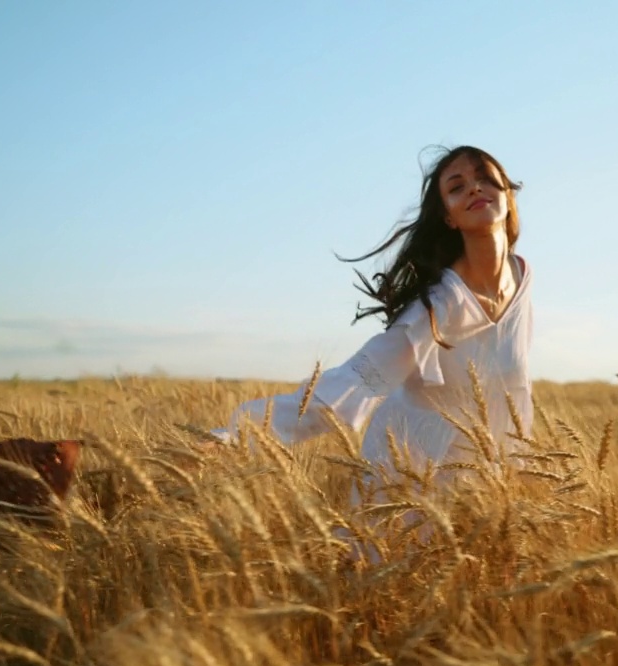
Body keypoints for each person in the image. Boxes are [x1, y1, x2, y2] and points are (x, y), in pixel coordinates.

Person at [210, 145, 534, 518]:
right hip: (411, 476)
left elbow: (515, 387)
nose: (475, 189)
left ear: (507, 193)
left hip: (483, 478)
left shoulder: (522, 275)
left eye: (485, 178)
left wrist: (519, 466)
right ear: (448, 218)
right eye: (457, 187)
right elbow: (354, 382)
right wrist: (236, 438)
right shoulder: (438, 307)